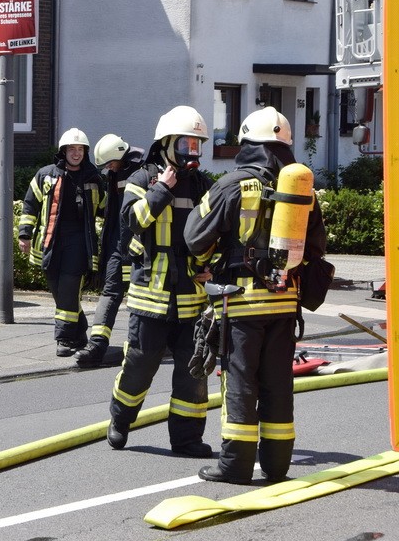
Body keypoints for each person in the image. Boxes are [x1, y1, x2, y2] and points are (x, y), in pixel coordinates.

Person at [185, 106, 327, 484]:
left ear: (247, 144)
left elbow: (195, 237)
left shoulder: (233, 185)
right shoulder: (299, 189)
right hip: (285, 304)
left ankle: (234, 465)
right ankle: (277, 464)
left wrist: (211, 260)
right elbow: (317, 246)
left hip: (242, 302)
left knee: (240, 383)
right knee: (278, 383)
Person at [106, 106, 214, 457]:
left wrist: (212, 266)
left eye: (197, 144)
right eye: (186, 143)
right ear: (167, 143)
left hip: (191, 299)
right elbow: (130, 225)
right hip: (149, 298)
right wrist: (161, 191)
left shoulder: (202, 186)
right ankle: (120, 420)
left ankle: (186, 440)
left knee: (192, 372)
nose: (192, 151)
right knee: (139, 366)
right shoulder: (142, 180)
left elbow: (217, 233)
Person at [18, 128, 104, 357]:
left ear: (85, 152)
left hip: (79, 241)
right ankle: (79, 332)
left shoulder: (94, 177)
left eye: (80, 149)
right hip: (51, 242)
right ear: (63, 151)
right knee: (59, 289)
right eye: (72, 149)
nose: (76, 153)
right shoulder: (45, 175)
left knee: (68, 287)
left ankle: (64, 339)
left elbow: (107, 208)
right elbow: (30, 205)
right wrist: (24, 234)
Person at [72, 134, 145, 369]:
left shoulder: (144, 172)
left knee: (141, 298)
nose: (108, 169)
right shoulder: (115, 173)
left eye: (110, 163)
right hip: (116, 244)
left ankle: (148, 343)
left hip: (140, 248)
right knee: (110, 292)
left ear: (121, 155)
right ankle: (97, 344)